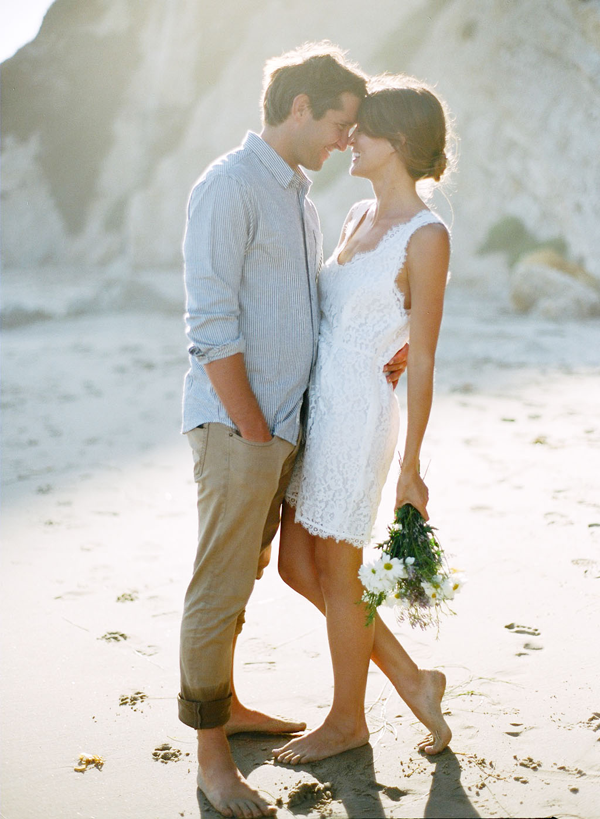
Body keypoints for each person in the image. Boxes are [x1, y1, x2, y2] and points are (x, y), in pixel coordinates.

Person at [179, 45, 408, 819]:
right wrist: (249, 425)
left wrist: (389, 341)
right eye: (340, 122)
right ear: (302, 105)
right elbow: (209, 324)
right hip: (241, 426)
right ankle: (213, 760)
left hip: (285, 429)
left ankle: (229, 705)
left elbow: (310, 310)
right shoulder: (229, 186)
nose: (346, 139)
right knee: (217, 588)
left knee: (242, 579)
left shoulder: (299, 198)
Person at [273, 75, 454, 766]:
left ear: (400, 143)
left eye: (365, 130)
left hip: (360, 419)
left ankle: (348, 719)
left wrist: (412, 466)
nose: (350, 138)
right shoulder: (352, 215)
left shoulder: (427, 235)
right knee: (298, 564)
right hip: (320, 406)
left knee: (341, 572)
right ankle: (414, 678)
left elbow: (427, 355)